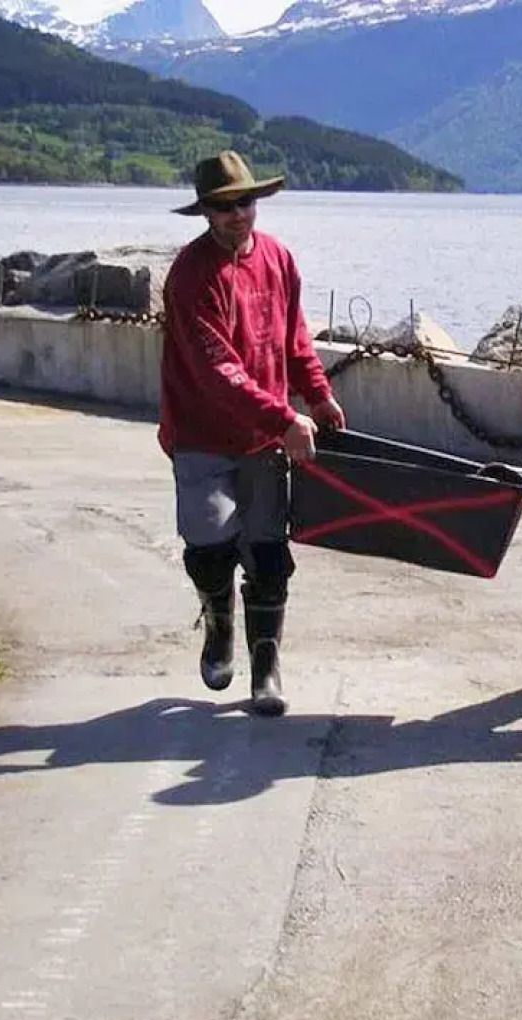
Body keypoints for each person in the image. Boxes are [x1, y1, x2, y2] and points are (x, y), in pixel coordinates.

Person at [158, 150, 345, 716]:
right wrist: (285, 418)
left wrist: (316, 394)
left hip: (264, 441)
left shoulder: (279, 259)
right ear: (207, 213)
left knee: (268, 553)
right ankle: (219, 626)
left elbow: (294, 340)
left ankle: (266, 667)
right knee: (209, 544)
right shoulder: (191, 276)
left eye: (245, 202)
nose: (238, 214)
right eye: (224, 207)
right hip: (201, 433)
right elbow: (219, 371)